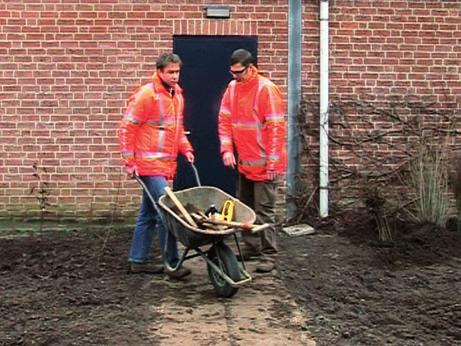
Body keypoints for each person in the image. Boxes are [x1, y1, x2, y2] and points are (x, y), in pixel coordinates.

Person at [118, 52, 194, 278]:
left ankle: (138, 260)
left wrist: (186, 149)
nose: (174, 76)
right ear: (160, 71)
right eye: (170, 72)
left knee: (148, 213)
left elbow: (176, 129)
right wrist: (129, 161)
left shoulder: (177, 96)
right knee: (168, 212)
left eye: (177, 72)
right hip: (148, 165)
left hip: (165, 165)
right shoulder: (147, 95)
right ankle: (172, 262)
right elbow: (127, 128)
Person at [218, 49, 287, 273]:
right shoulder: (232, 88)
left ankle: (269, 255)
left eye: (239, 72)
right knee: (246, 208)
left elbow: (276, 128)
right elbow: (225, 120)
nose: (235, 76)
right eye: (232, 72)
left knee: (264, 210)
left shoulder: (266, 89)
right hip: (245, 162)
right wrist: (227, 150)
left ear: (251, 67)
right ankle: (252, 246)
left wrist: (273, 164)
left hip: (265, 165)